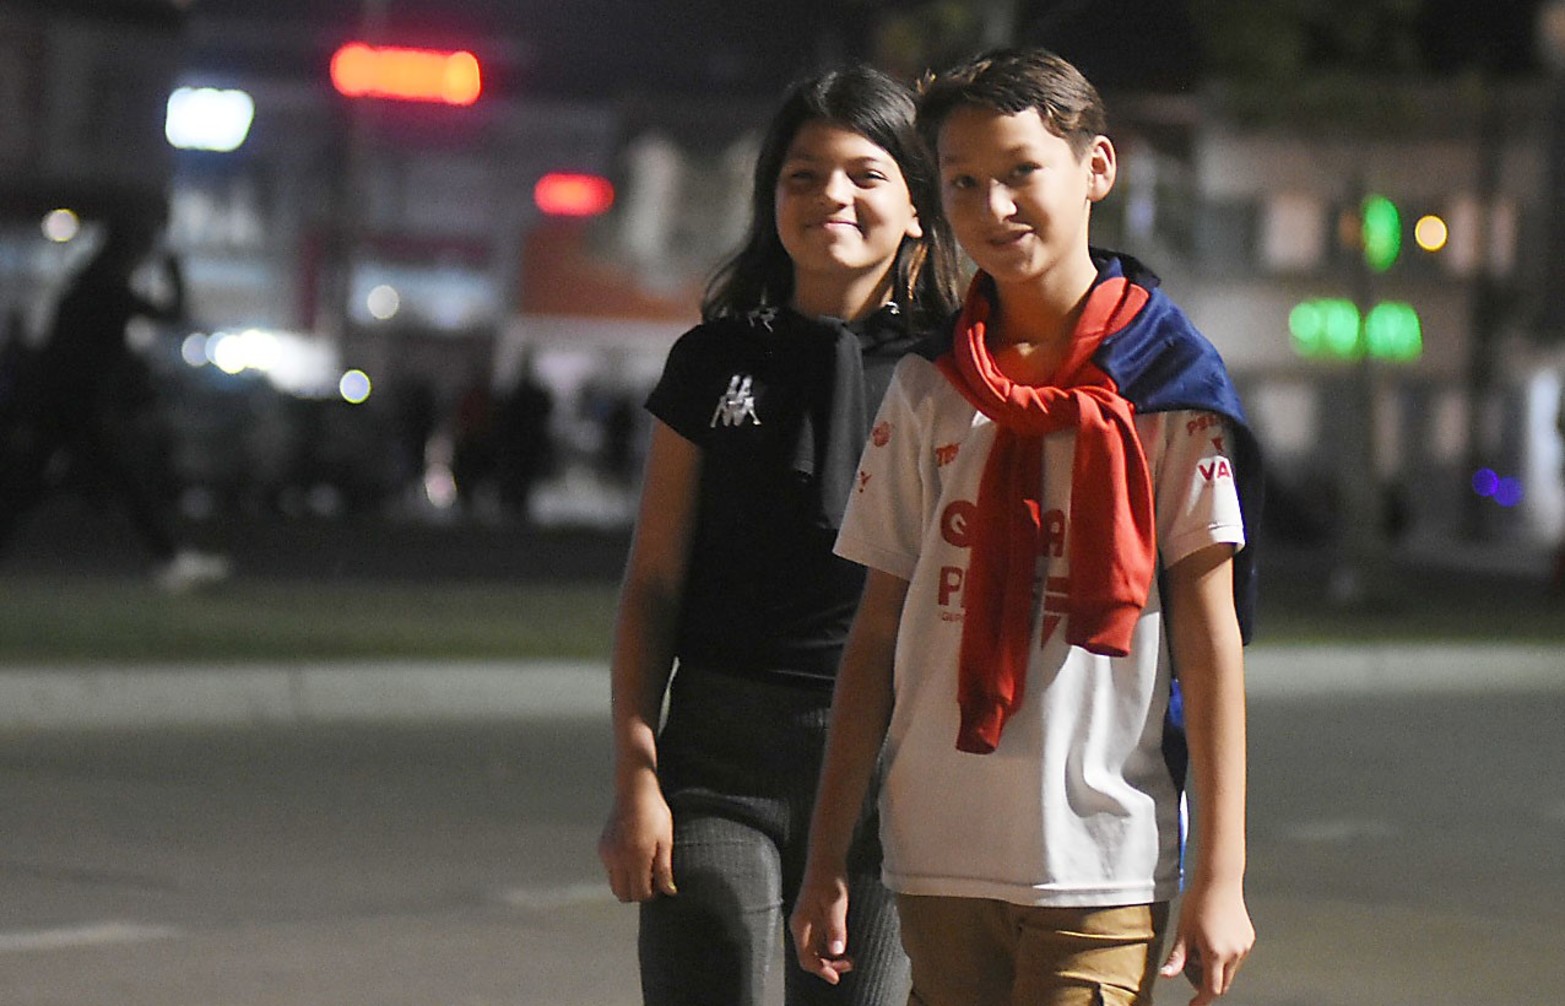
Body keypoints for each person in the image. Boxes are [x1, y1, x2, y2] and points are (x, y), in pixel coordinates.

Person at [790, 48, 1263, 1006]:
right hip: (937, 853)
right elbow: (875, 630)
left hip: (1099, 854)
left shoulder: (1169, 385)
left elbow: (1210, 646)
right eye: (963, 182)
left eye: (1019, 172)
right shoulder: (930, 385)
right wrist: (828, 853)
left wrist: (1221, 875)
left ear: (1095, 169)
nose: (993, 206)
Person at [596, 65, 961, 1006]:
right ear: (772, 201)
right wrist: (638, 774)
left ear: (918, 208)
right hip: (719, 763)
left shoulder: (956, 374)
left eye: (864, 175)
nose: (830, 195)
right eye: (802, 176)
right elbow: (653, 584)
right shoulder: (713, 359)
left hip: (891, 784)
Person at [0, 217, 228, 592]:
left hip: (61, 405)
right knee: (92, 481)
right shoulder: (110, 294)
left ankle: (169, 559)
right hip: (74, 408)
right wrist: (174, 271)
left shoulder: (82, 290)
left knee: (33, 485)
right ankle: (169, 560)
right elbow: (174, 315)